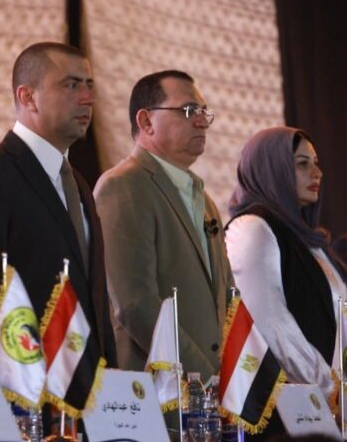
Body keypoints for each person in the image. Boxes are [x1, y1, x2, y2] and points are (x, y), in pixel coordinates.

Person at [0, 42, 116, 365]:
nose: (88, 98)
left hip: (86, 386)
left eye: (89, 85)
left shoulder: (78, 184)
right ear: (27, 97)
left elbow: (95, 301)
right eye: (71, 85)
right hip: (19, 384)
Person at [93, 70, 233, 378]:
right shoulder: (123, 185)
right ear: (146, 122)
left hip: (215, 389)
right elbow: (135, 304)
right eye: (189, 110)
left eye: (204, 111)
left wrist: (234, 377)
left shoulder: (204, 199)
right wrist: (201, 377)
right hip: (157, 387)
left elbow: (228, 298)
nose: (201, 121)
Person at [226, 127, 344, 410]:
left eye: (316, 163)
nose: (317, 173)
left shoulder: (310, 241)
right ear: (271, 169)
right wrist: (330, 389)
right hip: (291, 410)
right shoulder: (253, 228)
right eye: (302, 164)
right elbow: (271, 324)